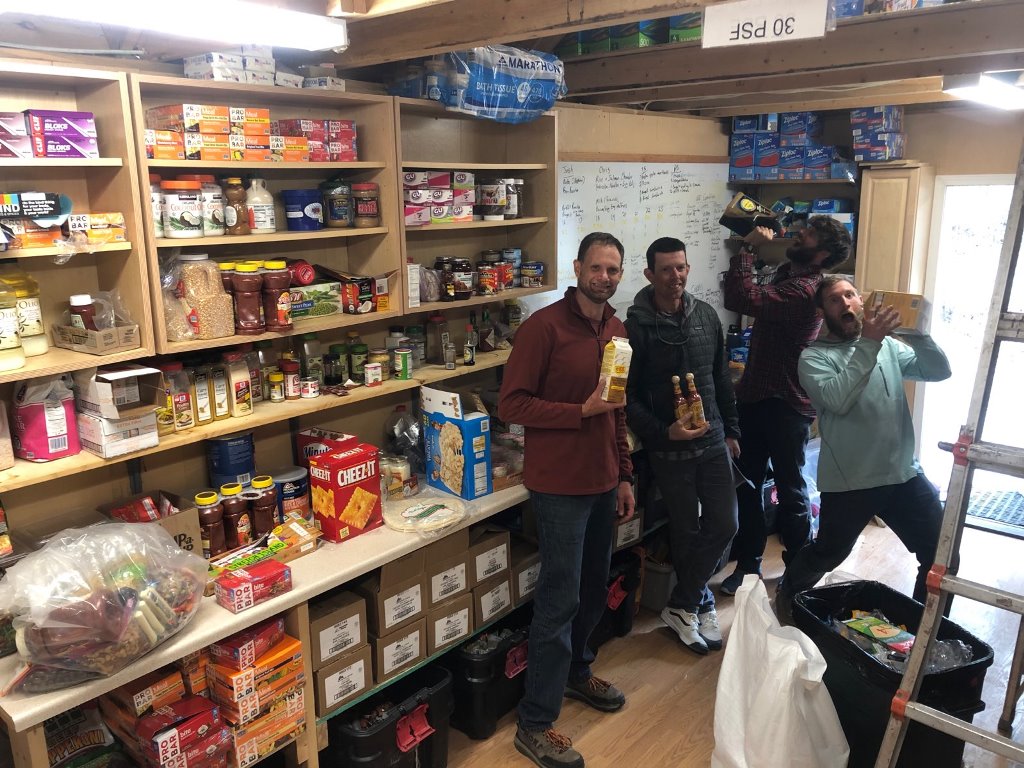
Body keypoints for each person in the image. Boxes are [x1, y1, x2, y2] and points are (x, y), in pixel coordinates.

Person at [498, 231, 636, 768]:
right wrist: (577, 412)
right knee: (559, 601)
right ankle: (535, 722)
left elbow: (617, 407)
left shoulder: (617, 329)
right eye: (597, 267)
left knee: (594, 588)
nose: (605, 277)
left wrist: (624, 474)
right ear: (578, 267)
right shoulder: (542, 329)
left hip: (603, 481)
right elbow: (513, 404)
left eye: (614, 270)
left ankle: (577, 672)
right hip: (559, 487)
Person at [776, 276, 952, 615]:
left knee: (941, 555)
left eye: (850, 295)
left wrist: (917, 333)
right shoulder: (812, 358)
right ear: (823, 312)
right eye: (834, 300)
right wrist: (870, 342)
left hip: (903, 475)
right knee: (829, 553)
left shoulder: (889, 346)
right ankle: (788, 598)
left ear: (862, 301)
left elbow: (938, 370)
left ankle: (923, 631)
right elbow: (838, 400)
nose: (845, 303)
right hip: (850, 482)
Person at [719, 216, 852, 595]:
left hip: (786, 406)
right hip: (755, 396)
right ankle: (748, 568)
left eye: (807, 235)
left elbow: (741, 298)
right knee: (748, 486)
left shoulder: (806, 290)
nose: (797, 235)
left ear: (822, 252)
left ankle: (798, 569)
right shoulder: (785, 274)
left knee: (790, 489)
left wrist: (747, 249)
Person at [624, 236, 740, 655]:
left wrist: (732, 431)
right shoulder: (633, 326)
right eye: (667, 269)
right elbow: (626, 396)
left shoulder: (707, 316)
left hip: (711, 441)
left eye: (682, 267)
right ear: (650, 274)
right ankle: (698, 601)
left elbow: (721, 380)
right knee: (686, 531)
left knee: (726, 524)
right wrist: (662, 431)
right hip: (670, 449)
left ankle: (683, 602)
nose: (676, 276)